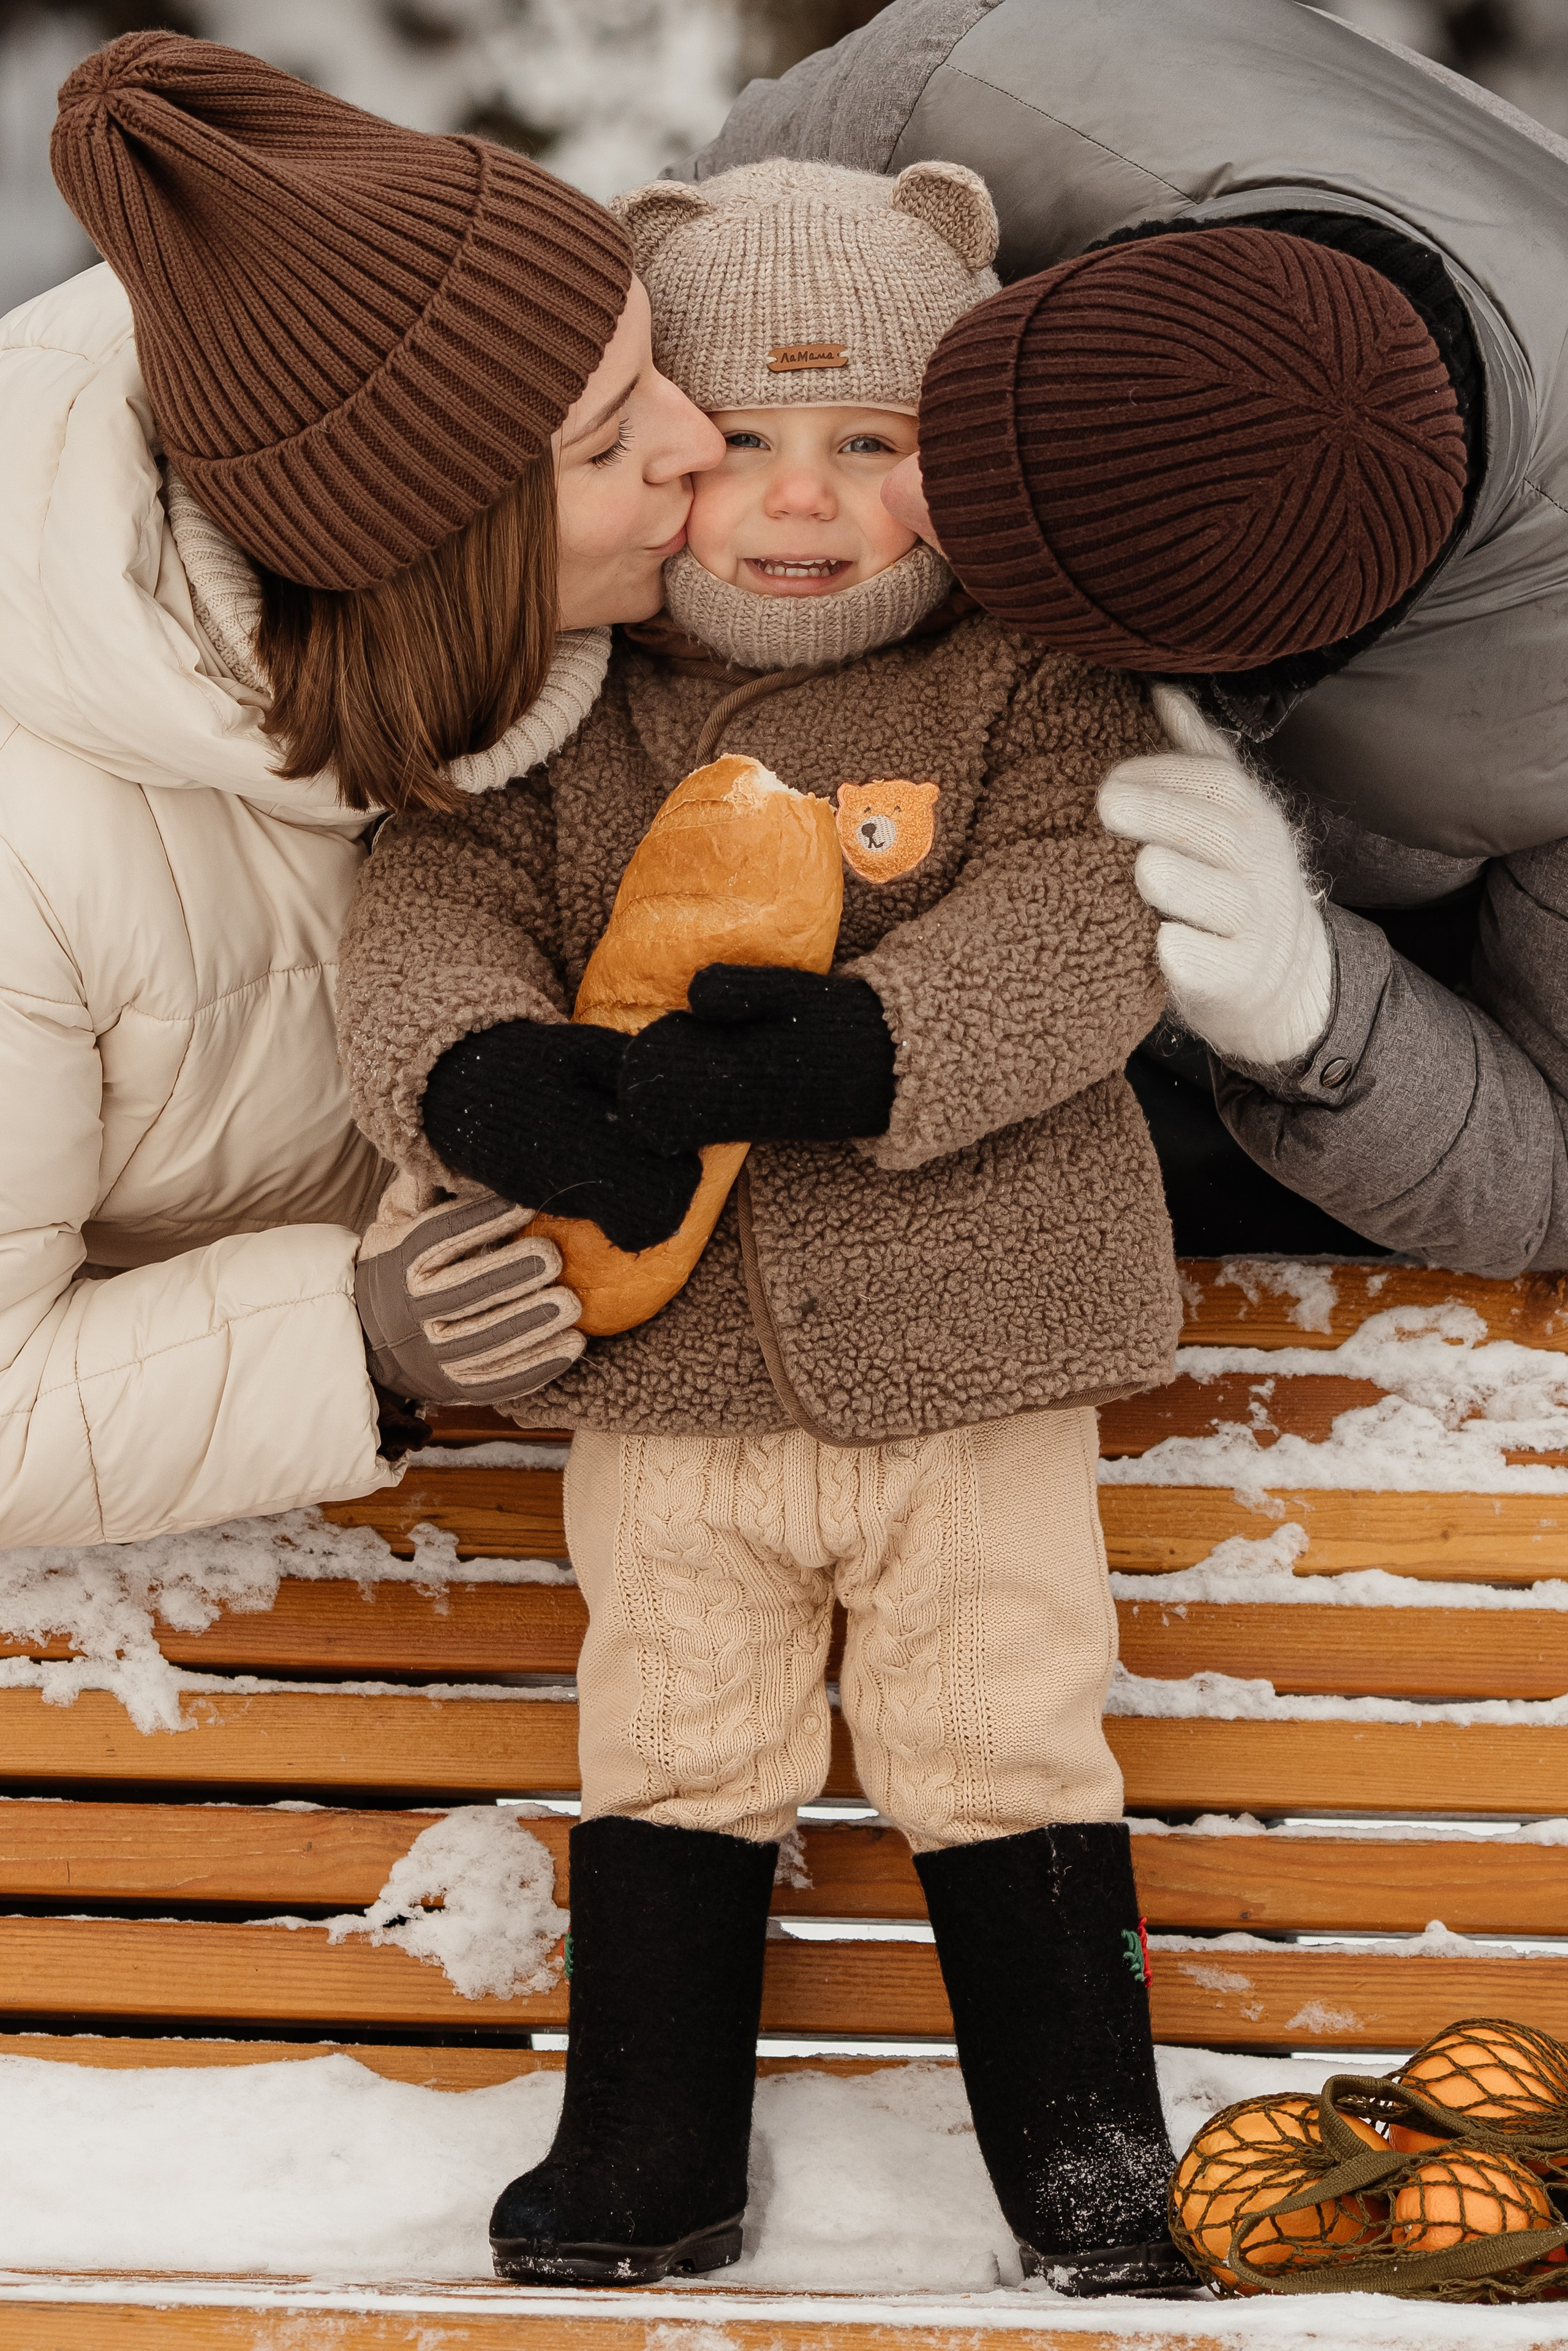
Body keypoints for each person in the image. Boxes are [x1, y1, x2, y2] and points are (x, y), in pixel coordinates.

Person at [338, 156, 1196, 2295]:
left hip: (973, 1349)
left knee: (1002, 1717)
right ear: (653, 457)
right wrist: (477, 1078)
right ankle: (646, 2148)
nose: (800, 502)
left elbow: (1094, 917)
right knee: (672, 1723)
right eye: (739, 445)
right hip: (673, 1361)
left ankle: (1090, 2163)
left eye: (874, 443)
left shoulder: (1029, 683)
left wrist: (870, 1047)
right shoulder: (567, 699)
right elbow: (422, 900)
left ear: (956, 463)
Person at [679, 0, 1568, 1275]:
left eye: (997, 545)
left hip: (1200, 1059)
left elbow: (1546, 1184)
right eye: (943, 416)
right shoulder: (971, 92)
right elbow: (647, 331)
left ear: (1243, 668)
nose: (900, 500)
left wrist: (1306, 1004)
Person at [0, 31, 718, 1545]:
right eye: (612, 437)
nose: (698, 442)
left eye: (658, 371)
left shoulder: (589, 625)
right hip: (210, 1601)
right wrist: (356, 1337)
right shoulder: (32, 861)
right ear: (447, 553)